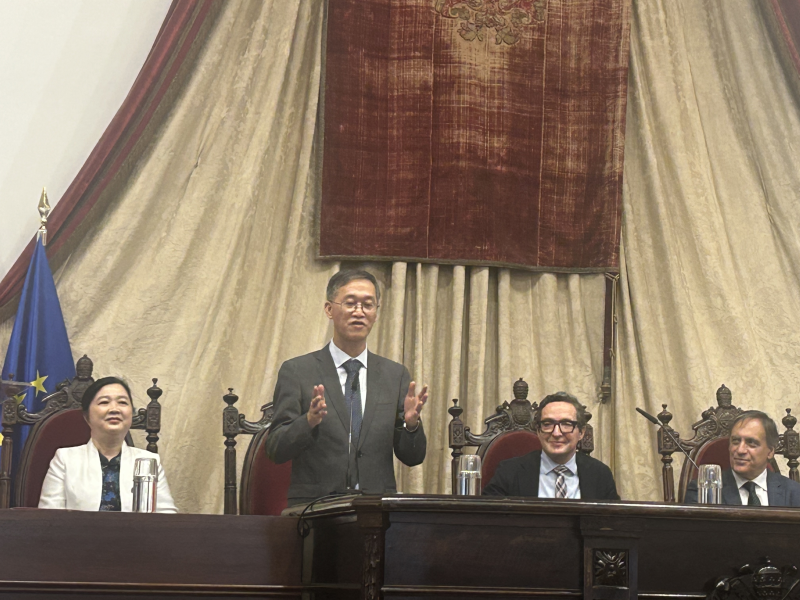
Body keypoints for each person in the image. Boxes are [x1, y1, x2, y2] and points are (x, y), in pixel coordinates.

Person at [266, 269, 427, 506]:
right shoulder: (298, 371)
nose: (359, 312)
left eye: (368, 305)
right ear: (329, 309)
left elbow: (413, 457)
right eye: (350, 303)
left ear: (376, 313)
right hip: (315, 509)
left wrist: (411, 426)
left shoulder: (395, 375)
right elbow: (275, 449)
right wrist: (308, 422)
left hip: (376, 509)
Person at [39, 376, 177, 512]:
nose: (114, 409)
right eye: (104, 402)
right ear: (87, 416)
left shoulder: (149, 461)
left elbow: (166, 518)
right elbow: (49, 518)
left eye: (122, 402)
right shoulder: (65, 459)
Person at [483, 392, 619, 500]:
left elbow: (613, 523)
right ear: (538, 431)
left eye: (566, 424)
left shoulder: (601, 475)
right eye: (547, 424)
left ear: (581, 433)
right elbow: (488, 520)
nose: (556, 433)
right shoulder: (510, 472)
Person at [684, 410, 800, 506]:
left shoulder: (794, 492)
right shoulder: (703, 490)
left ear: (770, 452)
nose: (740, 450)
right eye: (735, 441)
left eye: (751, 443)